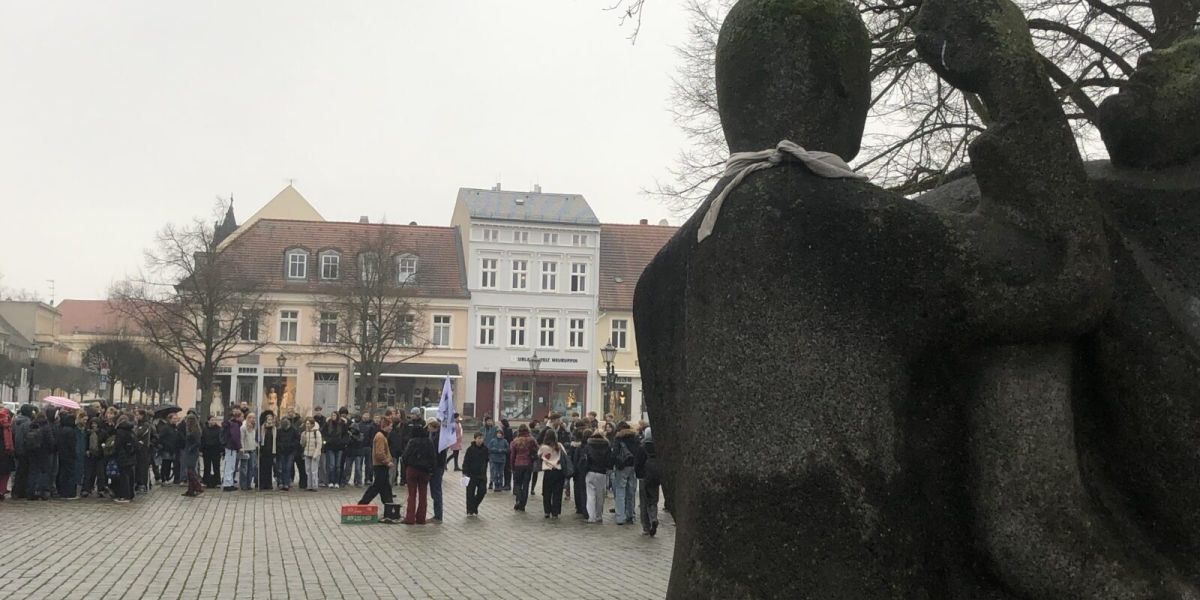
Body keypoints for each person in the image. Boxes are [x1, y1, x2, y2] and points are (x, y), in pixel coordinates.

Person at [357, 416, 396, 522]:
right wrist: (387, 462)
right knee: (376, 487)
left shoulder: (383, 436)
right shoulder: (380, 436)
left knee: (386, 489)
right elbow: (379, 453)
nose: (391, 428)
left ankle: (390, 510)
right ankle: (362, 504)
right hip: (380, 466)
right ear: (385, 426)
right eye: (390, 426)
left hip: (382, 466)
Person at [401, 421, 437, 525]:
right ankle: (421, 518)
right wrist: (431, 470)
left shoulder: (412, 441)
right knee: (423, 494)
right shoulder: (429, 442)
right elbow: (433, 457)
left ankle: (410, 518)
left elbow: (405, 456)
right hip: (425, 471)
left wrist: (406, 466)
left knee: (412, 495)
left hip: (412, 469)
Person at [611, 422, 640, 525]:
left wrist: (616, 463)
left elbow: (614, 453)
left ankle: (620, 517)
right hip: (633, 466)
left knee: (620, 490)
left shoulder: (619, 438)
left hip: (622, 467)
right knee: (631, 491)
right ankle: (630, 515)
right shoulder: (635, 437)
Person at [538, 430, 568, 519]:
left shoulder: (543, 447)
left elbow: (539, 455)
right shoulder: (559, 446)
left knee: (547, 492)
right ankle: (555, 512)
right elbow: (565, 455)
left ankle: (547, 511)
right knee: (557, 492)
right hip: (558, 470)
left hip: (548, 471)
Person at [637, 433, 662, 536]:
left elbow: (637, 463)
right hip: (655, 477)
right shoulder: (659, 447)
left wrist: (639, 474)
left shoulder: (642, 447)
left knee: (644, 502)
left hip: (644, 477)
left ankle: (646, 527)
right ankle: (653, 518)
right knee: (654, 500)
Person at [584, 431, 612, 523]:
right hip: (602, 473)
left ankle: (591, 517)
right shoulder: (606, 446)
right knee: (600, 496)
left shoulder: (588, 446)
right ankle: (599, 516)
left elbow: (586, 459)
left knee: (590, 495)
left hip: (590, 472)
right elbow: (609, 460)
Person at [509, 424, 537, 512]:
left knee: (517, 483)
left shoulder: (515, 441)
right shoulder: (531, 440)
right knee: (526, 485)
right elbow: (537, 450)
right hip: (528, 464)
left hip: (518, 464)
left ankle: (519, 498)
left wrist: (512, 466)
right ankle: (522, 505)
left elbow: (512, 455)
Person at [112, 415, 137, 503]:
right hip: (131, 456)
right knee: (130, 476)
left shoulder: (120, 431)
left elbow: (117, 445)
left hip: (122, 456)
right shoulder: (131, 431)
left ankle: (125, 496)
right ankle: (131, 494)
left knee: (124, 476)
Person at [463, 432, 488, 516]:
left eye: (481, 438)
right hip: (471, 474)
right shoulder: (470, 449)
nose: (480, 440)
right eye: (478, 438)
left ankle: (474, 506)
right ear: (475, 439)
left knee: (482, 491)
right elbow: (466, 461)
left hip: (482, 475)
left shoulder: (485, 449)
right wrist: (464, 472)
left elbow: (487, 460)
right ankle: (470, 510)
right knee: (470, 493)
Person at [55, 412, 79, 500]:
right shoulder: (71, 431)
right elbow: (72, 445)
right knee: (70, 474)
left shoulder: (61, 429)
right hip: (69, 455)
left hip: (62, 454)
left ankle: (63, 492)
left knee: (63, 473)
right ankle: (70, 493)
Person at [322, 410, 348, 489]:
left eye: (335, 415)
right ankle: (331, 481)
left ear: (337, 416)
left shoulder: (342, 424)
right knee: (331, 465)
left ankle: (337, 482)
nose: (333, 417)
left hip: (339, 447)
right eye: (332, 415)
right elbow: (324, 433)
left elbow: (346, 435)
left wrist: (342, 442)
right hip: (330, 447)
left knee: (338, 466)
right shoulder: (328, 424)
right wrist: (327, 441)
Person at [427, 419, 447, 523]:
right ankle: (437, 515)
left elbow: (436, 454)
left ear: (433, 427)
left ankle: (438, 516)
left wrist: (432, 467)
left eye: (429, 427)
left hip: (437, 467)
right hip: (437, 466)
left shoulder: (438, 438)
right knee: (435, 491)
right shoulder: (435, 436)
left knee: (436, 491)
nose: (428, 429)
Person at [11, 404, 33, 499]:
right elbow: (28, 438)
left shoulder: (15, 421)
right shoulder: (28, 423)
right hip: (25, 450)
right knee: (24, 471)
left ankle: (16, 491)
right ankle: (21, 491)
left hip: (16, 449)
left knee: (18, 471)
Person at [567, 429, 589, 516]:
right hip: (586, 470)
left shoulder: (576, 447)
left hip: (577, 470)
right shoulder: (587, 446)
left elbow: (573, 458)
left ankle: (579, 507)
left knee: (577, 489)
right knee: (585, 490)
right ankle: (585, 507)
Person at [181, 414, 203, 497]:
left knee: (191, 471)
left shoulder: (195, 431)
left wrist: (190, 448)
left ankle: (198, 487)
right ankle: (191, 490)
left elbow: (198, 442)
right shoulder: (191, 430)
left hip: (192, 453)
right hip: (189, 452)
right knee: (189, 471)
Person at [276, 414, 300, 491]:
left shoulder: (294, 430)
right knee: (282, 468)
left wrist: (292, 445)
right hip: (282, 451)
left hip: (291, 452)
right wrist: (280, 446)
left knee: (288, 467)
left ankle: (286, 483)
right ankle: (282, 482)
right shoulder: (279, 431)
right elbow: (277, 440)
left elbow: (297, 440)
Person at [132, 410, 154, 493]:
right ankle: (137, 483)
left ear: (142, 415)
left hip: (144, 448)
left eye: (138, 415)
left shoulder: (146, 425)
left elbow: (138, 433)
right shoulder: (137, 424)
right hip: (137, 448)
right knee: (137, 466)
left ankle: (143, 484)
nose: (136, 417)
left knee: (143, 467)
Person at [156, 415, 181, 486]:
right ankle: (164, 479)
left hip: (173, 449)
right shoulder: (166, 428)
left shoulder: (175, 428)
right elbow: (160, 437)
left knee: (169, 465)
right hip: (166, 449)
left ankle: (167, 478)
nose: (175, 420)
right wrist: (165, 444)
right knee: (165, 465)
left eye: (176, 418)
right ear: (170, 419)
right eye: (174, 418)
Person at [221, 409, 243, 491]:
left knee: (230, 466)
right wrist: (239, 446)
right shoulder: (235, 425)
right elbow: (235, 437)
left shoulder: (231, 424)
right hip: (231, 447)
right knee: (230, 466)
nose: (242, 418)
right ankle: (227, 484)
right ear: (238, 417)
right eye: (241, 416)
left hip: (229, 447)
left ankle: (229, 483)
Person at [300, 417, 322, 492]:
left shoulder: (317, 432)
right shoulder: (305, 432)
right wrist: (303, 437)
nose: (307, 425)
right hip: (307, 453)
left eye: (309, 424)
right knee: (308, 470)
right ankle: (309, 485)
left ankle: (315, 486)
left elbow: (319, 444)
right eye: (306, 424)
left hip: (315, 454)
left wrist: (315, 454)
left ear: (312, 424)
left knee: (314, 470)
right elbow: (302, 444)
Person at [201, 415, 223, 489]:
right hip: (207, 450)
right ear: (208, 421)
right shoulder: (205, 429)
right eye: (212, 420)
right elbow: (202, 439)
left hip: (216, 450)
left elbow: (220, 440)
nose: (213, 421)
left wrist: (221, 450)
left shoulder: (219, 429)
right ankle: (205, 481)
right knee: (207, 466)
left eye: (214, 420)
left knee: (216, 466)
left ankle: (218, 481)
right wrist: (201, 449)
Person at [239, 412, 258, 491]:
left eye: (254, 418)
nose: (252, 419)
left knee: (251, 468)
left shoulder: (254, 427)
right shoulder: (243, 427)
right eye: (250, 417)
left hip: (252, 449)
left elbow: (254, 438)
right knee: (244, 469)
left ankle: (248, 484)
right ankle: (243, 484)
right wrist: (242, 448)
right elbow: (241, 439)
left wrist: (256, 444)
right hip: (245, 450)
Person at [259, 412, 276, 491]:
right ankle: (262, 483)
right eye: (268, 419)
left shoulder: (274, 429)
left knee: (269, 467)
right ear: (266, 420)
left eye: (271, 419)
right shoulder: (262, 428)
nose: (270, 421)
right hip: (263, 450)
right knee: (263, 467)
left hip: (271, 450)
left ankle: (269, 484)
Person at [0, 407, 13, 500]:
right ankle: (1, 491)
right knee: (5, 473)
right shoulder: (7, 426)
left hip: (4, 451)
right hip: (5, 452)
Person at [500, 418, 514, 491]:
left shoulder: (507, 430)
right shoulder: (507, 430)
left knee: (507, 469)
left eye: (501, 423)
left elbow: (508, 440)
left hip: (507, 452)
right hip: (507, 451)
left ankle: (507, 484)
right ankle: (506, 484)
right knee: (506, 469)